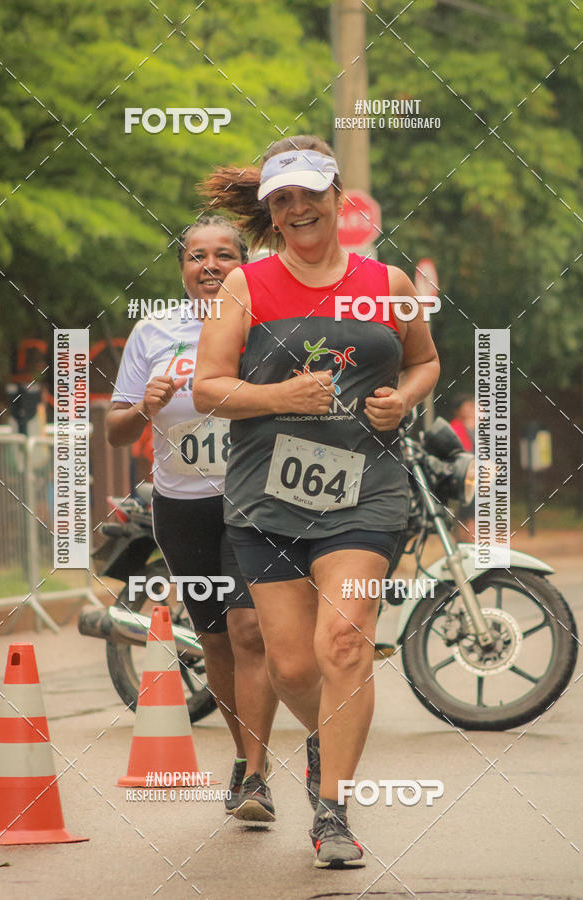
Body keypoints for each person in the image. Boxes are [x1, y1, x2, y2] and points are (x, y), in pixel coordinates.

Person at [193, 136, 440, 867]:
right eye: (282, 200)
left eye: (309, 194)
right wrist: (279, 396)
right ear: (272, 211)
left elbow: (425, 361)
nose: (298, 209)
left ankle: (332, 808)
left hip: (367, 492)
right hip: (265, 499)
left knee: (344, 642)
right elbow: (209, 388)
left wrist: (405, 400)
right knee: (294, 666)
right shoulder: (248, 287)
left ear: (339, 199)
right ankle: (321, 749)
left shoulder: (387, 282)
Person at [106, 215, 278, 813]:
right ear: (182, 269)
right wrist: (144, 406)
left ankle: (256, 774)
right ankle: (243, 756)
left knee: (249, 629)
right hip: (181, 507)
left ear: (244, 261)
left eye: (223, 255)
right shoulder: (154, 332)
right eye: (195, 257)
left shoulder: (265, 325)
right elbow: (114, 430)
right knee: (215, 640)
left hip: (253, 499)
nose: (208, 266)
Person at [450, 394, 476, 540]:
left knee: (471, 513)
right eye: (465, 408)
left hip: (471, 476)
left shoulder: (469, 428)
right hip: (463, 476)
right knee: (465, 514)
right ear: (458, 410)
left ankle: (469, 541)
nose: (468, 411)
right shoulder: (456, 428)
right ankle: (465, 542)